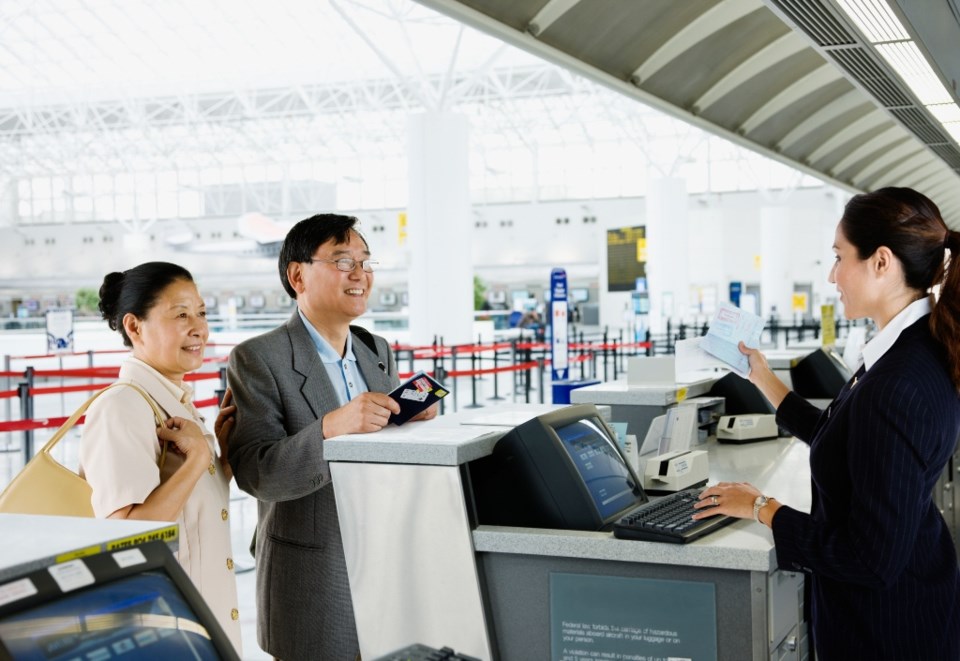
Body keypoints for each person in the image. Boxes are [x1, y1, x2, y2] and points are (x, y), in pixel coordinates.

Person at [693, 187, 960, 660]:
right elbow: (847, 439)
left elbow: (869, 560)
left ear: (881, 262)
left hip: (886, 631)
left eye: (839, 257)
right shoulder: (909, 350)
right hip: (913, 597)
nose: (834, 275)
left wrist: (762, 507)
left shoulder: (898, 381)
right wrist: (764, 379)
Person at [227, 213, 438, 660]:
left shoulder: (375, 350)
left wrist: (415, 420)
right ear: (297, 275)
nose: (360, 274)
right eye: (343, 261)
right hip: (313, 574)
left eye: (365, 261)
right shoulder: (259, 358)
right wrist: (329, 429)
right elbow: (258, 473)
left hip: (390, 563)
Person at [79, 261, 242, 654]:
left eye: (201, 313)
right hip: (165, 631)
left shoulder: (174, 403)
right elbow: (125, 535)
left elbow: (189, 515)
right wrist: (196, 458)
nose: (198, 328)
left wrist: (222, 462)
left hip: (201, 621)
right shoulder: (122, 406)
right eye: (180, 315)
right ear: (134, 327)